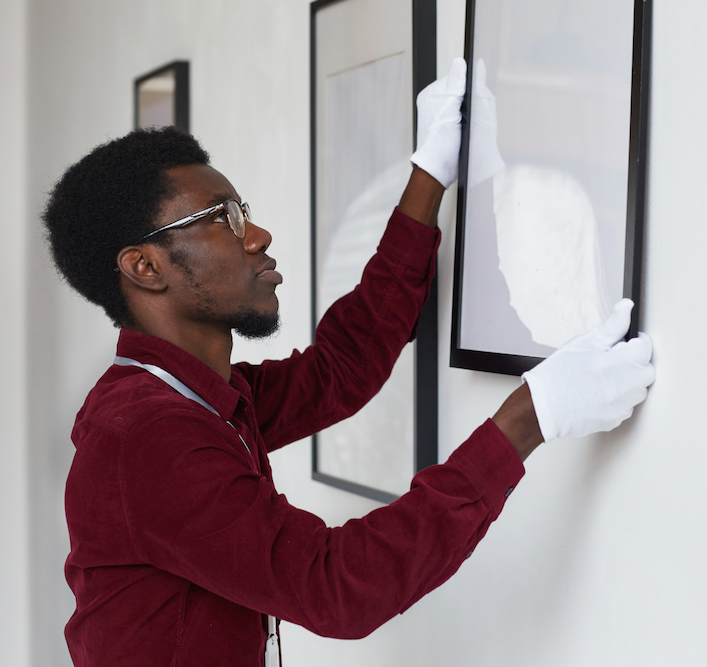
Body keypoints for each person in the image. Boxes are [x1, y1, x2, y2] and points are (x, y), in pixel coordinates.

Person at [44, 59, 655, 667]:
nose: (257, 235)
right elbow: (334, 585)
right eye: (223, 218)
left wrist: (430, 174)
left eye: (245, 211)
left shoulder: (195, 396)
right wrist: (529, 416)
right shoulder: (149, 434)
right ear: (145, 268)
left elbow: (341, 368)